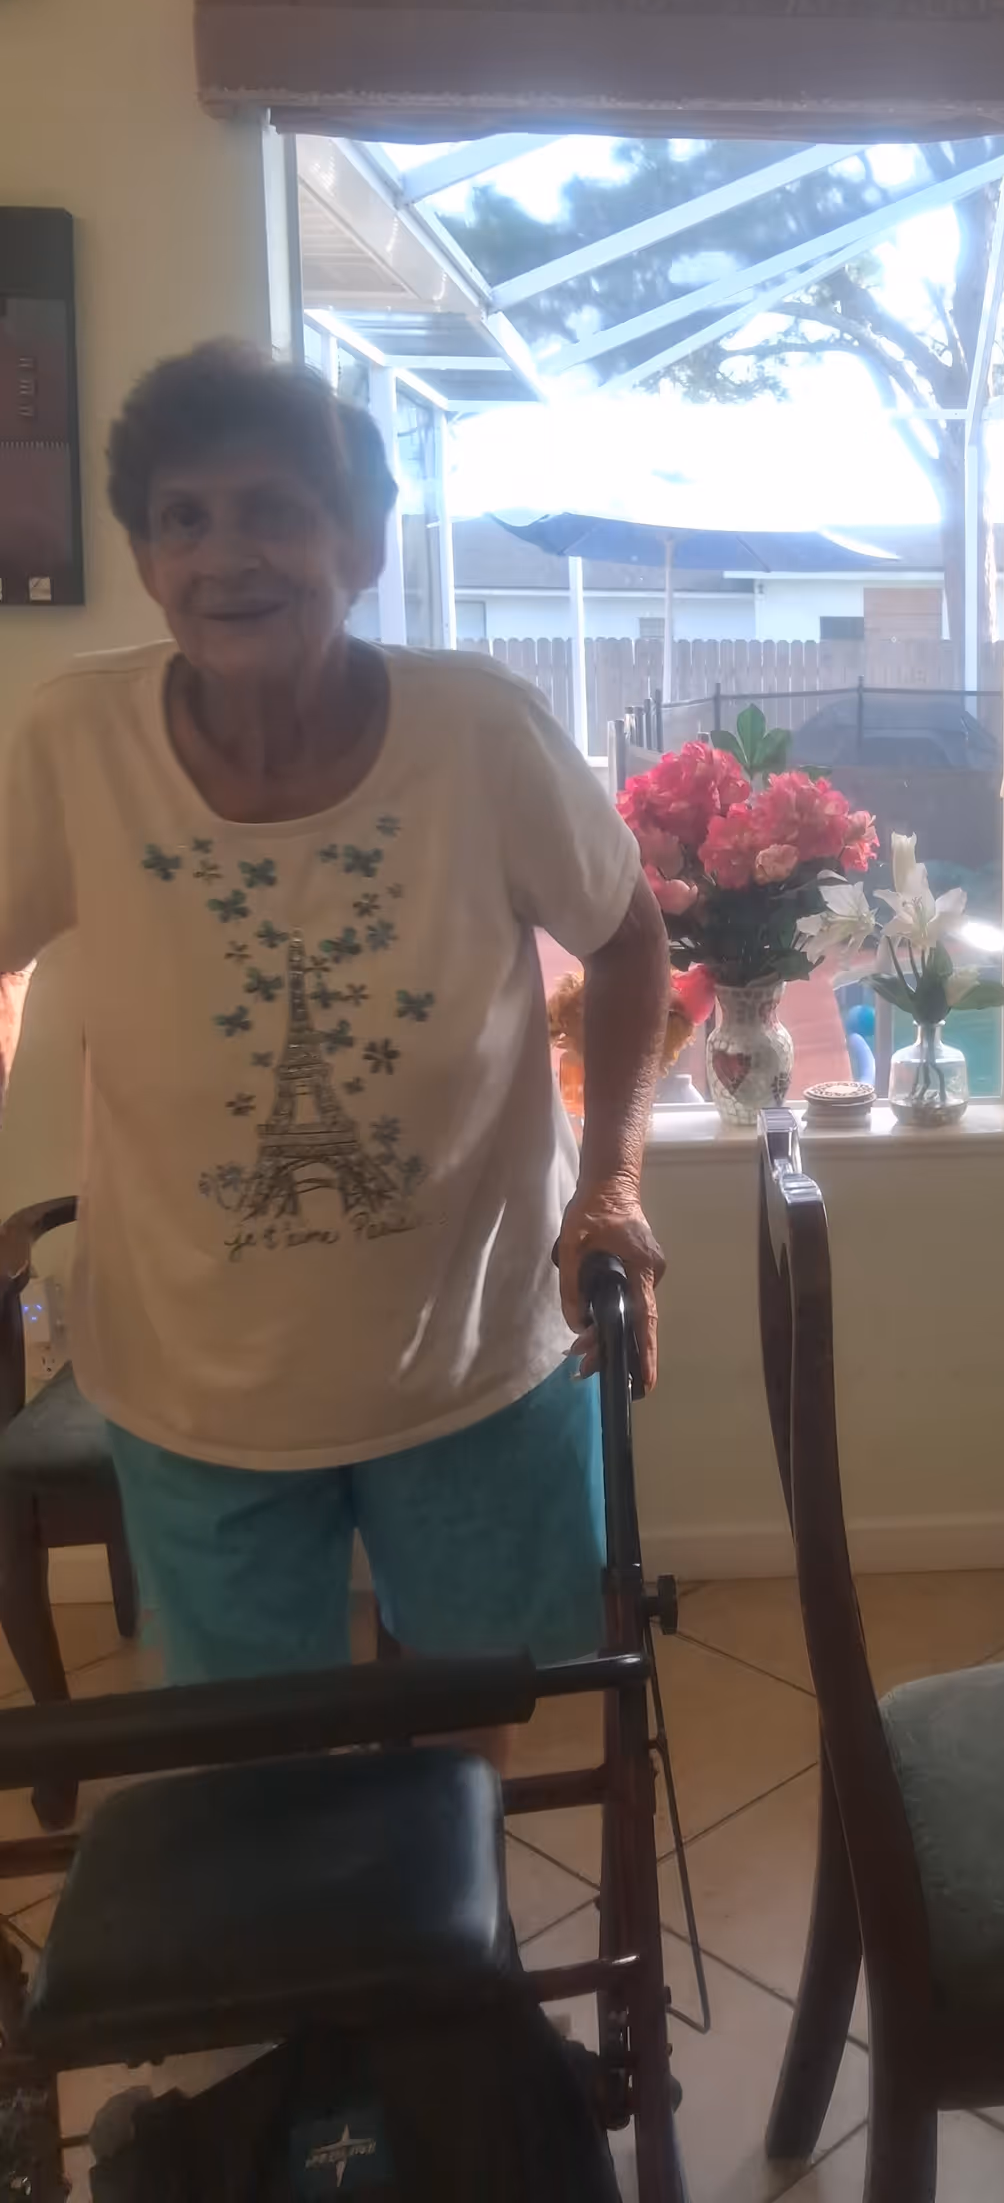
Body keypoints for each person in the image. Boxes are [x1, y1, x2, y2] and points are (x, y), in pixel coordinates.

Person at [0, 342, 670, 1683]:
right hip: (194, 1382)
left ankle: (451, 1893)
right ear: (143, 558)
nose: (224, 555)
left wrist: (612, 1186)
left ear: (360, 544)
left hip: (476, 1354)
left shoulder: (477, 731)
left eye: (274, 512)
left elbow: (631, 940)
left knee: (488, 1723)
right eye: (182, 519)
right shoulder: (75, 743)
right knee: (251, 1772)